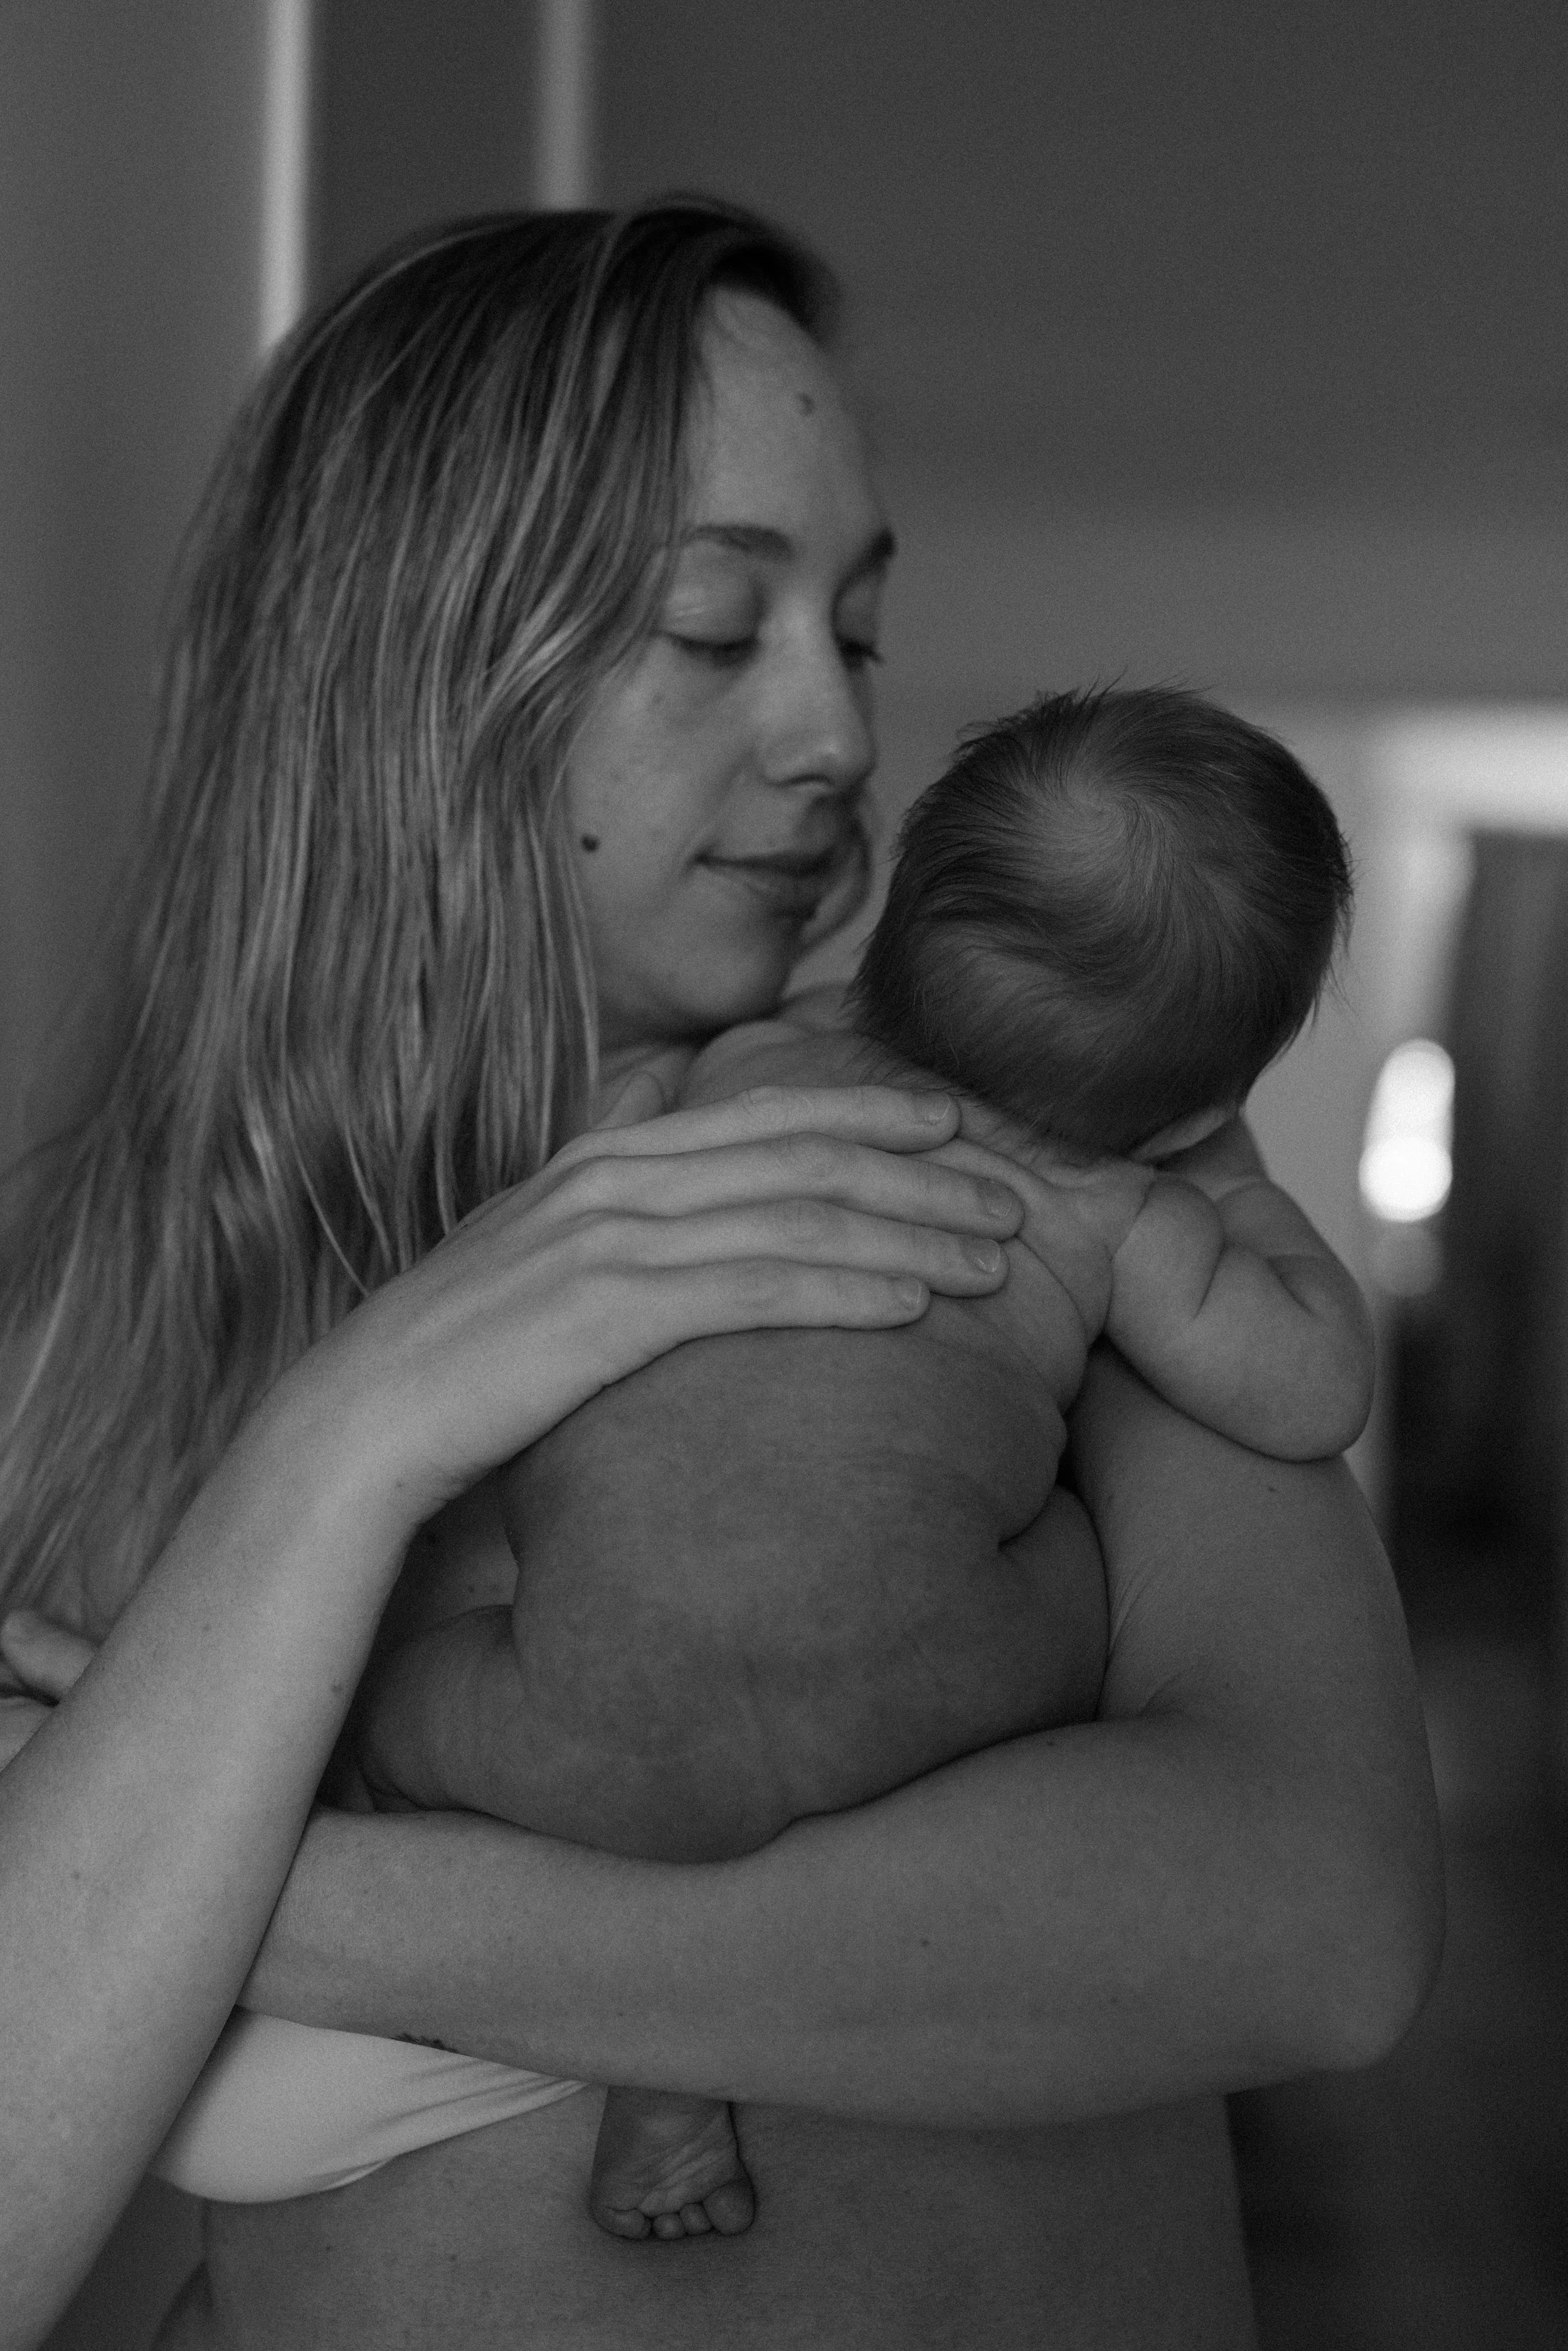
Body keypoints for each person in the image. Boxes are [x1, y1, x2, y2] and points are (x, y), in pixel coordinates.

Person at [0, 201, 1441, 2351]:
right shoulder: (89, 1347)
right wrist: (358, 1423)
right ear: (405, 667)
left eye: (852, 632)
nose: (840, 737)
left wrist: (291, 1905)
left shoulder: (991, 1140)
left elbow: (1308, 1921)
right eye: (711, 623)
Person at [354, 684, 1378, 2244]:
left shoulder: (733, 1076)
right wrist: (1239, 1202)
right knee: (1045, 1570)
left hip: (572, 1714)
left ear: (891, 944)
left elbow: (573, 1191)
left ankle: (208, 1754)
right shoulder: (1117, 1212)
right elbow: (1310, 1392)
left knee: (389, 1693)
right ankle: (680, 2069)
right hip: (923, 1713)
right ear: (1195, 1103)